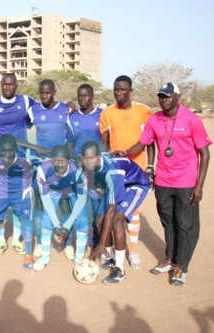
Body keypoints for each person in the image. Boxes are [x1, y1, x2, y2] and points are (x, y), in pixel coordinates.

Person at [114, 83, 211, 286]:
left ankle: (181, 266)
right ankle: (170, 259)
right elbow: (144, 143)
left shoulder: (191, 119)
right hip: (163, 181)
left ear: (177, 97)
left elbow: (204, 153)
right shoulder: (155, 119)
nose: (164, 99)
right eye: (161, 96)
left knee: (185, 225)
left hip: (186, 182)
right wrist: (125, 152)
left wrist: (199, 186)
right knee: (168, 222)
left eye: (168, 96)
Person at [99, 75, 154, 270]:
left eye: (123, 89)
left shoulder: (143, 111)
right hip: (115, 171)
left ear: (131, 90)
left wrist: (150, 168)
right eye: (116, 89)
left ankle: (134, 251)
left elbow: (149, 141)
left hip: (136, 170)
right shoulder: (107, 113)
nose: (119, 93)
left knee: (133, 213)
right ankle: (113, 252)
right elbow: (104, 143)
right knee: (114, 212)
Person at [82, 141, 150, 285]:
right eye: (85, 158)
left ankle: (120, 269)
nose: (88, 161)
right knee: (99, 221)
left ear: (99, 156)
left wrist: (101, 242)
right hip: (117, 184)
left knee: (117, 219)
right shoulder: (92, 165)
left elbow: (111, 210)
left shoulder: (113, 170)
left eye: (91, 158)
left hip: (134, 185)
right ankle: (112, 257)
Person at [0, 73, 35, 256]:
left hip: (21, 160)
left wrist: (68, 106)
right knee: (0, 200)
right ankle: (2, 240)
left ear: (16, 86)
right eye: (5, 84)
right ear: (1, 85)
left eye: (11, 85)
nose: (8, 87)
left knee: (18, 201)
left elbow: (45, 111)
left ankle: (17, 239)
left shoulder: (27, 102)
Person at [0, 134, 38, 269]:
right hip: (0, 192)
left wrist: (33, 186)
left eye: (10, 150)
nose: (7, 154)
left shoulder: (27, 156)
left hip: (20, 193)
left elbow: (39, 167)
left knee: (26, 219)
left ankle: (29, 255)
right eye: (3, 151)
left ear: (16, 149)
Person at [27, 79, 72, 260]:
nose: (44, 96)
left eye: (48, 92)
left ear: (54, 91)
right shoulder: (33, 110)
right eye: (41, 93)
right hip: (41, 165)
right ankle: (40, 241)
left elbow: (71, 137)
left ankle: (68, 243)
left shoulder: (66, 110)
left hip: (62, 166)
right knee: (39, 203)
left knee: (65, 203)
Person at [33, 145, 88, 271]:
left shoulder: (77, 171)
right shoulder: (43, 170)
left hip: (74, 191)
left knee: (82, 220)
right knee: (47, 219)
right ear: (51, 160)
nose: (59, 164)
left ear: (69, 161)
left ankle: (79, 259)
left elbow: (81, 200)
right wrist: (56, 222)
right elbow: (45, 199)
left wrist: (68, 224)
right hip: (53, 190)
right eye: (56, 160)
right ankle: (45, 258)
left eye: (63, 161)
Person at [67, 84, 104, 250]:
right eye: (79, 95)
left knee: (97, 209)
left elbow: (105, 143)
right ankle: (79, 245)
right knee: (80, 208)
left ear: (93, 96)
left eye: (86, 95)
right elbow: (70, 143)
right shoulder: (72, 117)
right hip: (78, 170)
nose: (82, 98)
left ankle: (96, 241)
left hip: (96, 171)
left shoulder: (102, 115)